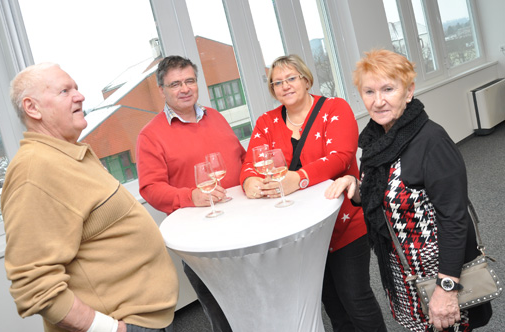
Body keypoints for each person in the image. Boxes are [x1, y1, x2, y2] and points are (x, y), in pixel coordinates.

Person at [2, 63, 178, 332]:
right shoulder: (35, 170)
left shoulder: (67, 155)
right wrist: (113, 330)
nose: (79, 96)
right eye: (64, 91)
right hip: (124, 324)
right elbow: (33, 286)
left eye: (76, 88)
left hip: (144, 317)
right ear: (32, 108)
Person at [325, 49, 493, 331]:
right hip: (403, 272)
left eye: (388, 89)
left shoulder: (431, 140)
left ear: (408, 90)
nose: (378, 101)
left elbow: (455, 220)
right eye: (369, 92)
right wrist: (356, 188)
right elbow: (385, 197)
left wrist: (446, 288)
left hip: (439, 274)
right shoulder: (376, 141)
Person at [240, 54, 386, 332]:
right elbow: (250, 162)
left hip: (344, 224)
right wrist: (248, 180)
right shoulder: (266, 122)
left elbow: (341, 157)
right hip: (301, 234)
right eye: (277, 82)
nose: (285, 86)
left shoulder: (335, 108)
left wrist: (299, 178)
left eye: (291, 78)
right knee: (331, 303)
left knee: (355, 298)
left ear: (306, 80)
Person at [137, 55, 245, 332]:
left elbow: (240, 158)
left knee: (253, 293)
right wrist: (190, 196)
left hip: (242, 222)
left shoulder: (216, 116)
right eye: (175, 84)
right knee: (221, 308)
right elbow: (150, 188)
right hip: (201, 235)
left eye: (189, 81)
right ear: (161, 90)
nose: (184, 89)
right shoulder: (150, 135)